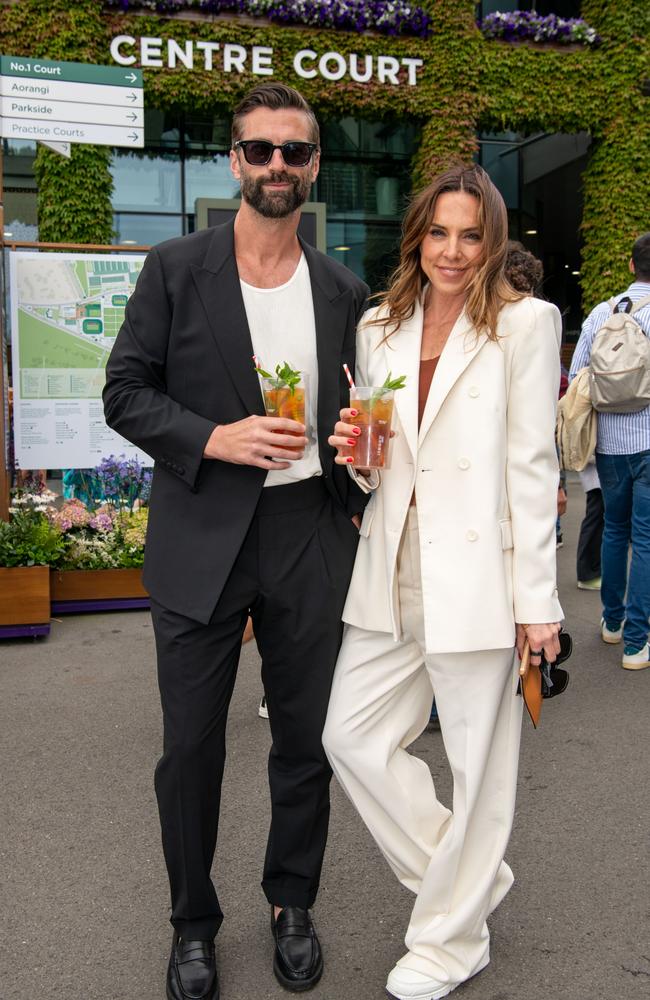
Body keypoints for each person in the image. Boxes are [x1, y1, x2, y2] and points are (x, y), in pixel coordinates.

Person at [103, 82, 369, 999]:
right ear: (235, 161)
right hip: (203, 531)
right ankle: (192, 921)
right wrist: (214, 439)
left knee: (305, 739)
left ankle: (292, 902)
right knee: (191, 748)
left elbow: (357, 414)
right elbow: (125, 393)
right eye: (260, 150)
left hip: (308, 534)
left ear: (315, 165)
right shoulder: (177, 268)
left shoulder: (341, 288)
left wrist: (359, 456)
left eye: (294, 152)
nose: (277, 168)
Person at [323, 164, 563, 1000]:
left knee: (477, 766)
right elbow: (381, 462)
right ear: (416, 235)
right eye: (438, 233)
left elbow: (534, 466)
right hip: (391, 562)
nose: (453, 252)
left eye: (471, 235)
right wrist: (358, 457)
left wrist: (539, 602)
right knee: (348, 738)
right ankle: (465, 882)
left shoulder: (526, 324)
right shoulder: (380, 323)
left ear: (492, 241)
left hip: (480, 573)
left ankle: (450, 940)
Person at [569, 232, 650, 669]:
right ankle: (638, 644)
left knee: (615, 531)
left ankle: (613, 623)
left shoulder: (603, 312)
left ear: (632, 266)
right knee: (648, 540)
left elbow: (578, 372)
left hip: (611, 445)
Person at [576, 462, 603, 589]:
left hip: (597, 469)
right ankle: (588, 575)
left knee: (597, 520)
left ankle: (591, 572)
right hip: (596, 469)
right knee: (596, 520)